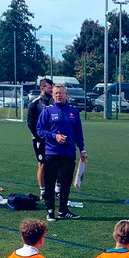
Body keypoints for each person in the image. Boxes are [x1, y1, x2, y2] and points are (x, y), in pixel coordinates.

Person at [36, 83, 87, 221]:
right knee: (50, 182)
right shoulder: (47, 112)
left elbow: (78, 133)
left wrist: (82, 149)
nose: (58, 95)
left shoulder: (74, 112)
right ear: (52, 95)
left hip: (69, 153)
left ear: (66, 95)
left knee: (65, 183)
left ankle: (63, 210)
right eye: (56, 93)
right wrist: (55, 136)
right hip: (52, 153)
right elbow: (39, 130)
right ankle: (50, 210)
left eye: (61, 93)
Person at [27, 77, 54, 195]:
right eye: (50, 88)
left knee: (54, 163)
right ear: (42, 88)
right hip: (39, 139)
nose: (52, 90)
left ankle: (55, 189)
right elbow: (30, 123)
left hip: (52, 138)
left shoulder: (54, 102)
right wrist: (38, 137)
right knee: (42, 164)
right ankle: (43, 191)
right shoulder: (35, 103)